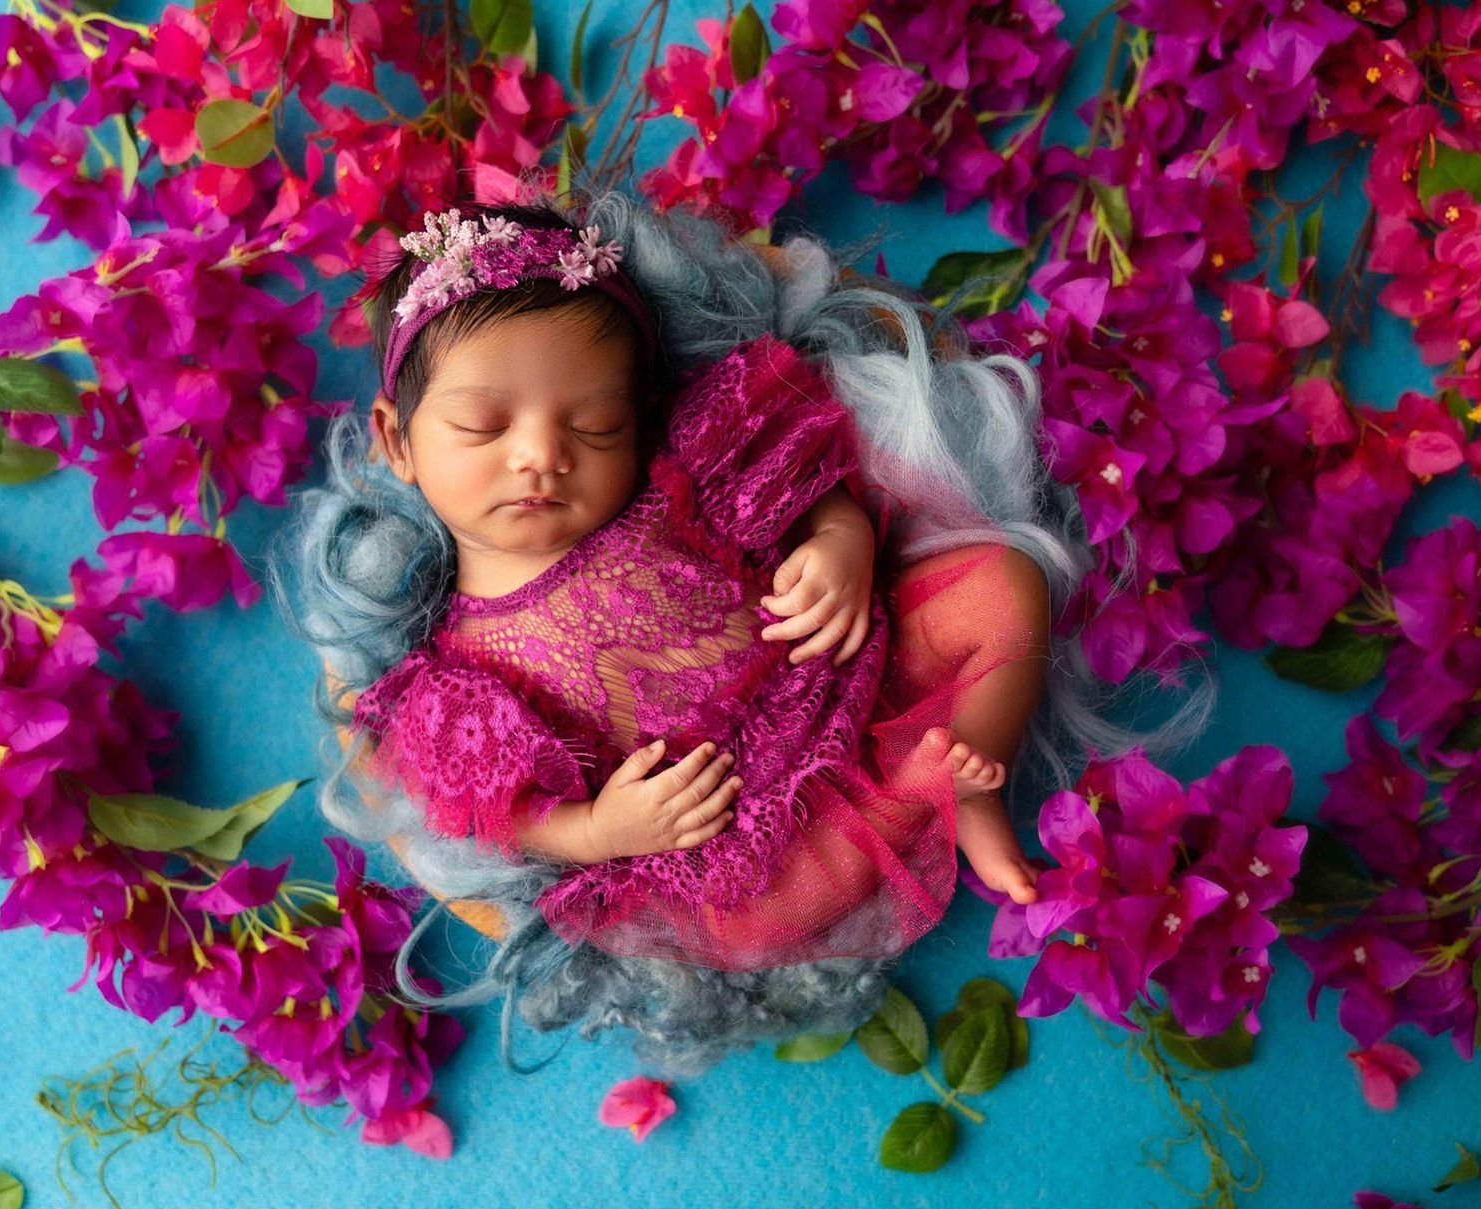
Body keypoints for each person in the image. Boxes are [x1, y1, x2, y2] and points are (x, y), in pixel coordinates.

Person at [288, 185, 1211, 1076]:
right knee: (767, 920)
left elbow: (809, 487)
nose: (541, 453)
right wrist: (602, 830)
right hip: (735, 833)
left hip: (851, 671)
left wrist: (841, 544)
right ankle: (920, 793)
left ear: (639, 422)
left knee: (1003, 585)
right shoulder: (451, 676)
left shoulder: (675, 479)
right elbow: (511, 818)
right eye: (483, 426)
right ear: (398, 441)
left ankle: (966, 779)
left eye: (596, 426)